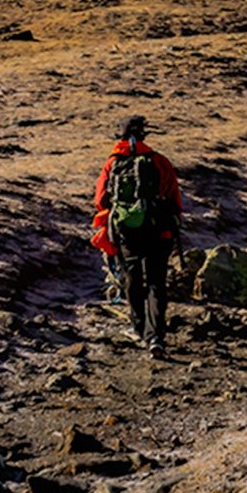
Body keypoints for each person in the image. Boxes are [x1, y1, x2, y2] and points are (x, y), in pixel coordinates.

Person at [92, 115, 183, 347]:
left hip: (126, 231)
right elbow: (174, 197)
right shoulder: (159, 161)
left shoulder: (112, 163)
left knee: (131, 278)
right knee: (156, 282)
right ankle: (156, 337)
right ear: (143, 135)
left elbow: (101, 200)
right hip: (159, 230)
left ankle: (138, 327)